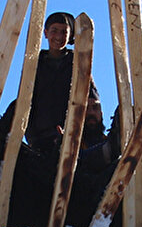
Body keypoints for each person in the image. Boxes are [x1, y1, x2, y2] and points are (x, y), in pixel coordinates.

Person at [25, 12, 100, 154]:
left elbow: (91, 96)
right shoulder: (35, 63)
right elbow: (27, 99)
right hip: (42, 137)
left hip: (74, 135)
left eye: (64, 32)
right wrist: (32, 137)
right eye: (54, 31)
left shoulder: (76, 61)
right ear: (46, 33)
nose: (59, 37)